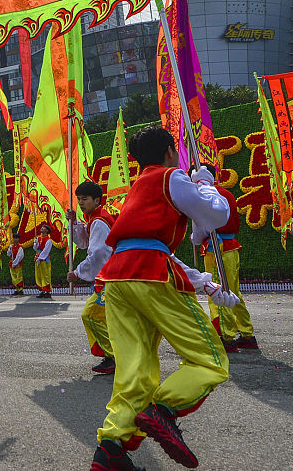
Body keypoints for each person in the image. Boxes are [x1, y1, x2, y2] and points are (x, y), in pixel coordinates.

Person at [90, 126, 237, 471]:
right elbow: (217, 215)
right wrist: (206, 185)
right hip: (150, 273)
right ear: (170, 152)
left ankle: (111, 448)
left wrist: (205, 283)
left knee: (134, 371)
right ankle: (163, 409)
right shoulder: (171, 177)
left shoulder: (138, 187)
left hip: (118, 278)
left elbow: (152, 244)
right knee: (209, 361)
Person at [200, 165, 257, 352]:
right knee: (232, 291)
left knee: (219, 291)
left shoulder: (207, 194)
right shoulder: (225, 193)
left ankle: (226, 336)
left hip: (218, 248)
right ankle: (246, 333)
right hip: (229, 247)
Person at [67, 181, 116, 375]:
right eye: (79, 199)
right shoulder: (94, 218)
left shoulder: (99, 221)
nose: (81, 203)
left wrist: (77, 272)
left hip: (112, 278)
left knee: (91, 314)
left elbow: (97, 254)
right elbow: (84, 243)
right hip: (110, 277)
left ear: (97, 200)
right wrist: (74, 223)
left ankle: (113, 356)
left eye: (85, 199)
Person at [32, 224, 54, 298]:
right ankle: (42, 290)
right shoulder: (38, 238)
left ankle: (47, 291)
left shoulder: (48, 240)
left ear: (47, 230)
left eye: (43, 228)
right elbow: (35, 248)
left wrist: (40, 258)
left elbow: (46, 251)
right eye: (42, 227)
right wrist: (35, 243)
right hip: (38, 258)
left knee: (46, 275)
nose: (42, 228)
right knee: (38, 275)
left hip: (44, 259)